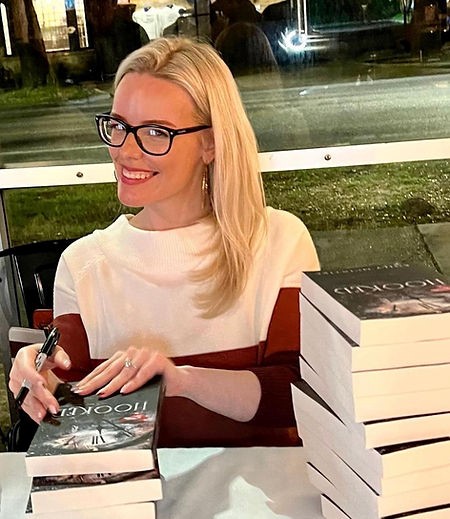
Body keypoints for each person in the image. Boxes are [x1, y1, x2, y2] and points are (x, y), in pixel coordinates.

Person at [9, 36, 319, 448]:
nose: (125, 151)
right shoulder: (83, 264)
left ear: (211, 142)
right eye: (118, 126)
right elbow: (66, 394)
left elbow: (299, 395)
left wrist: (180, 379)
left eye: (156, 132)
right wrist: (37, 375)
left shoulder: (279, 241)